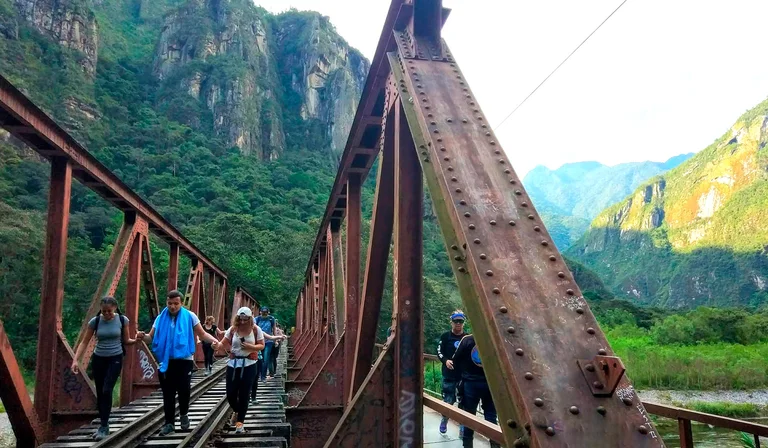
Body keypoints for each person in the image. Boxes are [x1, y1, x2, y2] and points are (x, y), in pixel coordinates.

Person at [136, 290, 220, 436]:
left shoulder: (190, 316)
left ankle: (183, 414)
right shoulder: (160, 318)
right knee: (168, 393)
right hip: (166, 361)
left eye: (176, 303)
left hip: (184, 360)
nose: (173, 306)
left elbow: (202, 334)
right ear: (166, 303)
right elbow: (151, 338)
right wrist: (142, 337)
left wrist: (215, 341)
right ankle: (169, 424)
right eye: (170, 303)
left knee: (184, 390)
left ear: (181, 303)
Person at [71, 296, 140, 440]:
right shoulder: (95, 322)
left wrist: (136, 340)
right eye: (104, 311)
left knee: (107, 389)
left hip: (115, 357)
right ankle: (104, 424)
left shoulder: (122, 320)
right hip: (99, 358)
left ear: (115, 308)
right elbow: (84, 342)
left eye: (109, 311)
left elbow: (126, 341)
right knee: (101, 392)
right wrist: (75, 360)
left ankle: (103, 426)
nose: (107, 314)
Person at [217, 307, 265, 433]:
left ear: (250, 318)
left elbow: (261, 345)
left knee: (244, 395)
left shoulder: (256, 330)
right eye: (241, 319)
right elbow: (223, 342)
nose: (243, 322)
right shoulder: (233, 329)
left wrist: (251, 346)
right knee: (230, 394)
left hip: (250, 364)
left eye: (245, 319)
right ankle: (237, 411)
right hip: (233, 364)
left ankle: (240, 424)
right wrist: (216, 345)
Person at [452, 334, 500, 448]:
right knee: (491, 416)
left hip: (470, 384)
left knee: (469, 417)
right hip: (490, 384)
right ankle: (495, 445)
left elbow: (455, 359)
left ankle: (467, 445)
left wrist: (463, 373)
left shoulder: (467, 340)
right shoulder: (493, 338)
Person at [437, 310, 467, 436]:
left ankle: (462, 426)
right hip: (448, 375)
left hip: (463, 375)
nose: (458, 323)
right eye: (456, 321)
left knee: (463, 402)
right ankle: (444, 420)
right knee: (448, 400)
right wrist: (445, 361)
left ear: (463, 323)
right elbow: (439, 351)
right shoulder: (445, 336)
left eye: (461, 321)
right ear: (451, 322)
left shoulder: (467, 338)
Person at [254, 306, 276, 381]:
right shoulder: (257, 319)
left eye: (265, 313)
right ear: (260, 312)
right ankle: (259, 374)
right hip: (259, 341)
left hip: (268, 341)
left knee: (266, 359)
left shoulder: (271, 319)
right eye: (263, 312)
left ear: (268, 312)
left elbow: (274, 329)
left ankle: (263, 376)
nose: (264, 314)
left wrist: (275, 339)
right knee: (259, 359)